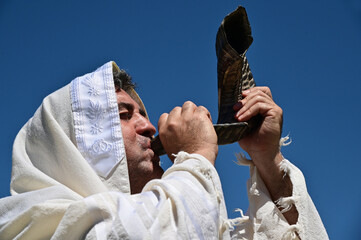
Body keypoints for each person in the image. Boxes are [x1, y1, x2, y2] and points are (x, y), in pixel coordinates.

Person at [0, 61, 328, 239]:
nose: (150, 128)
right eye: (123, 117)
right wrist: (197, 155)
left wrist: (267, 158)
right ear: (74, 146)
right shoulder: (32, 227)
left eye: (143, 113)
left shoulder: (203, 227)